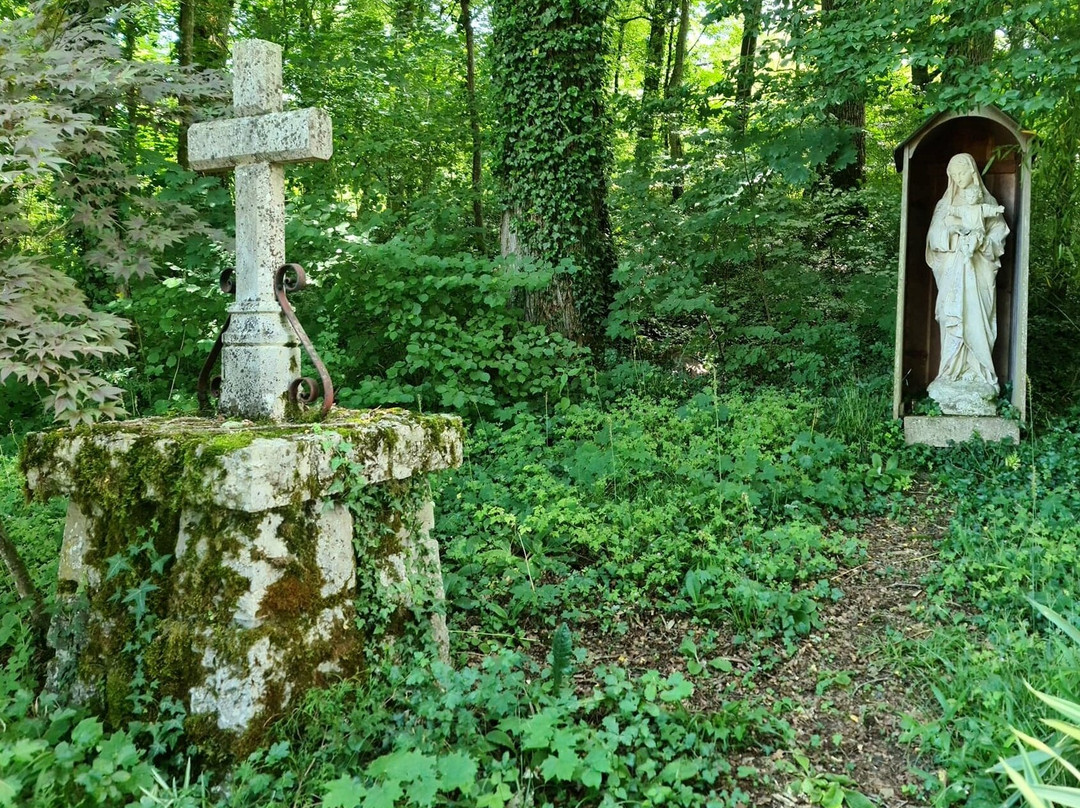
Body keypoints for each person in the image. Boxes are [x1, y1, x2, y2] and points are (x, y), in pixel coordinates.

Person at [925, 152, 1009, 414]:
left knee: (977, 319)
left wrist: (981, 242)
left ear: (972, 171)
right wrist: (952, 234)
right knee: (951, 318)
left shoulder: (988, 203)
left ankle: (979, 373)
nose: (958, 178)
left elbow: (999, 235)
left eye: (961, 172)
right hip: (952, 273)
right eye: (953, 175)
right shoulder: (946, 204)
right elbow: (933, 239)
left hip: (979, 272)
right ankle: (951, 373)